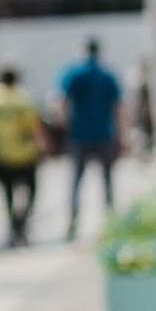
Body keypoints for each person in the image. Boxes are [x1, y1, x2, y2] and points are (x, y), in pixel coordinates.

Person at [0, 61, 46, 246]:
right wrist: (44, 147)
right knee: (31, 190)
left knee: (7, 194)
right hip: (25, 153)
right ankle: (20, 221)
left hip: (0, 155)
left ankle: (13, 224)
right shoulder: (23, 97)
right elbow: (35, 126)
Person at [54, 36, 124, 233]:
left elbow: (58, 101)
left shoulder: (73, 73)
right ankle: (112, 222)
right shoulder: (106, 75)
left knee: (76, 181)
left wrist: (61, 128)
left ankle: (73, 222)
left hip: (79, 134)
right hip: (103, 134)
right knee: (108, 181)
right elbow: (118, 108)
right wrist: (121, 136)